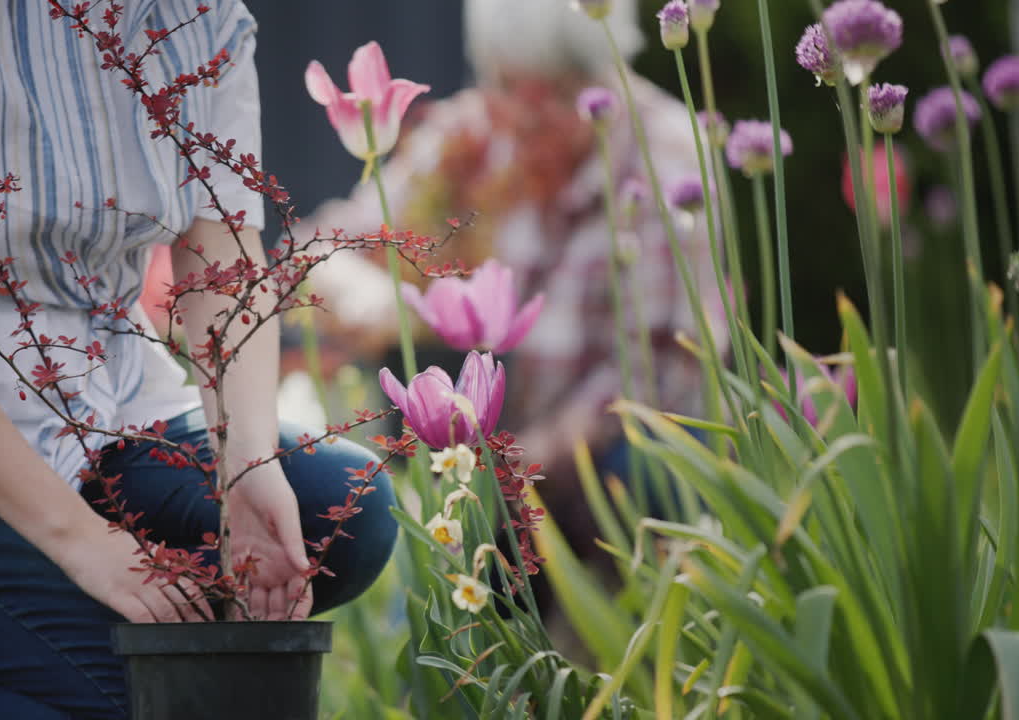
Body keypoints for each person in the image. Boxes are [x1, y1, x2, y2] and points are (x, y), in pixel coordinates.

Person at [0, 2, 395, 718]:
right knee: (144, 701)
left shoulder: (200, 16)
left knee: (345, 510)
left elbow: (219, 245)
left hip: (100, 409)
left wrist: (245, 462)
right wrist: (84, 544)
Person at [306, 0, 729, 555]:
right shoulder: (471, 137)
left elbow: (653, 374)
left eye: (554, 93)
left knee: (654, 459)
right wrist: (365, 294)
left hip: (609, 451)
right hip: (491, 452)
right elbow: (318, 246)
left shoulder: (667, 160)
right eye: (507, 87)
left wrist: (512, 469)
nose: (525, 117)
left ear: (604, 74)